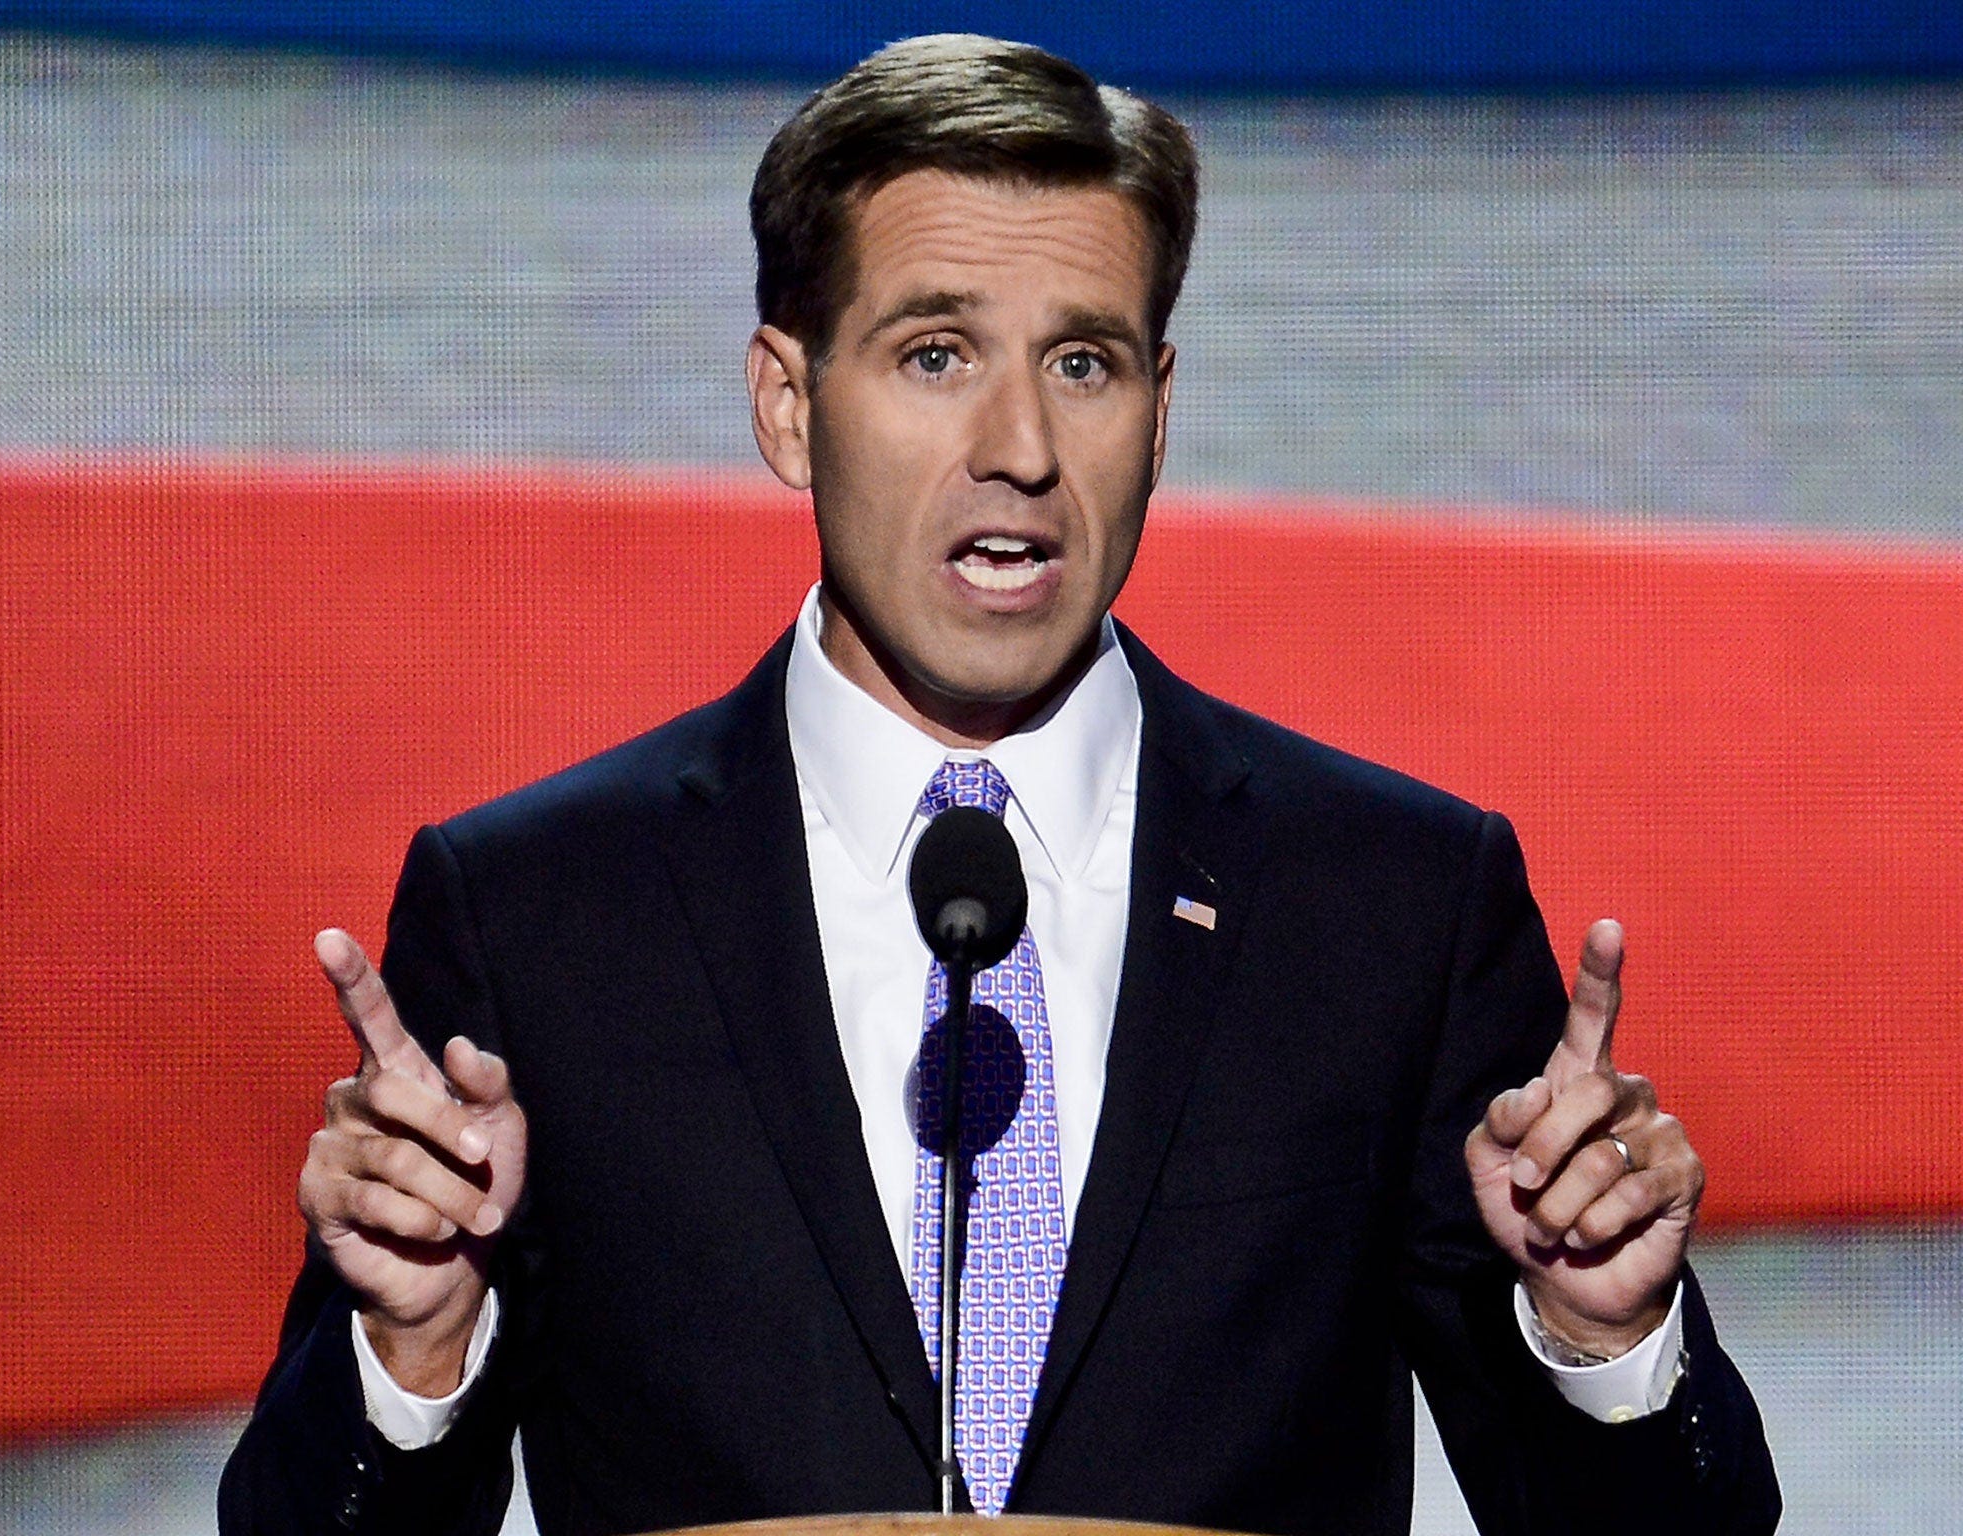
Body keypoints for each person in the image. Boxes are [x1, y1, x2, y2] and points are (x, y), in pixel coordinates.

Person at [220, 33, 1778, 1536]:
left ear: (1158, 413)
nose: (1020, 447)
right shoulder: (538, 917)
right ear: (788, 406)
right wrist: (414, 1350)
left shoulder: (1390, 906)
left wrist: (1600, 1340)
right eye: (936, 354)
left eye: (1083, 363)